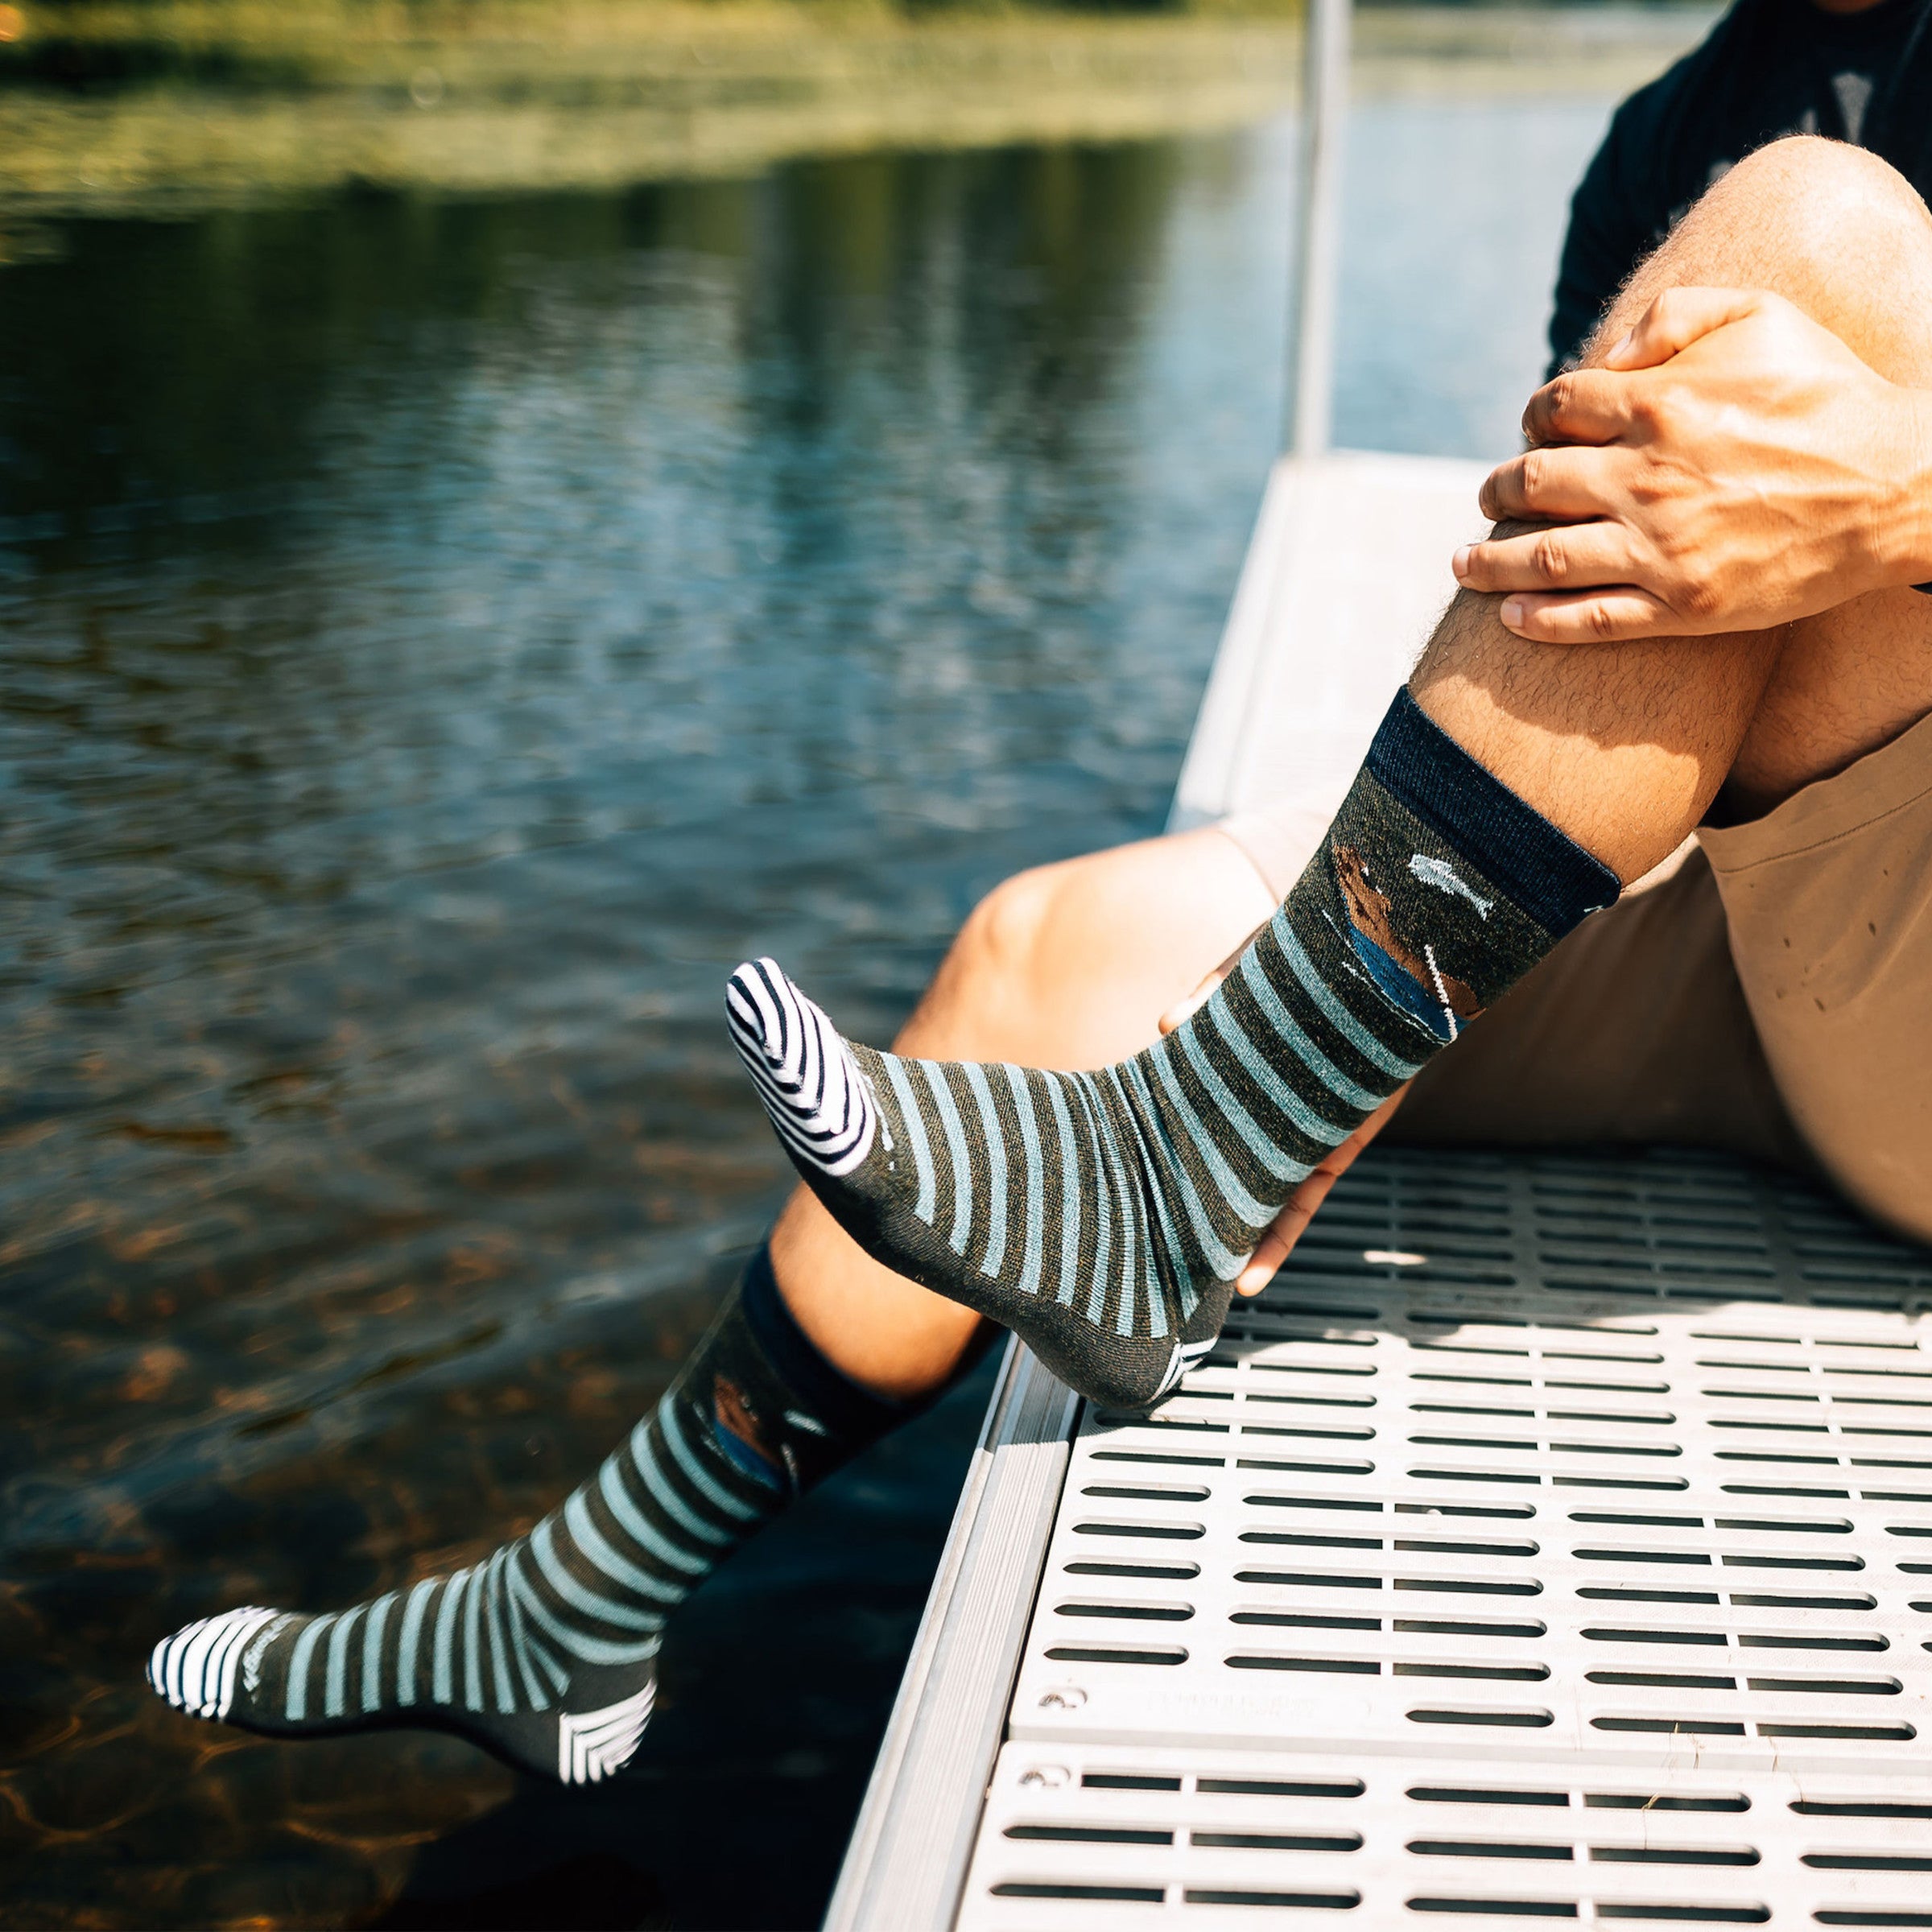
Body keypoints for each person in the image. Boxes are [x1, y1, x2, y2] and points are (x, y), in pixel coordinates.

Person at [148, 0, 1932, 1785]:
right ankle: (580, 1600)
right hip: (1776, 909)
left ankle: (1176, 1167)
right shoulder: (1668, 121)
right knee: (1044, 963)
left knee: (1817, 234)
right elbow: (1618, 596)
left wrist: (1904, 493)